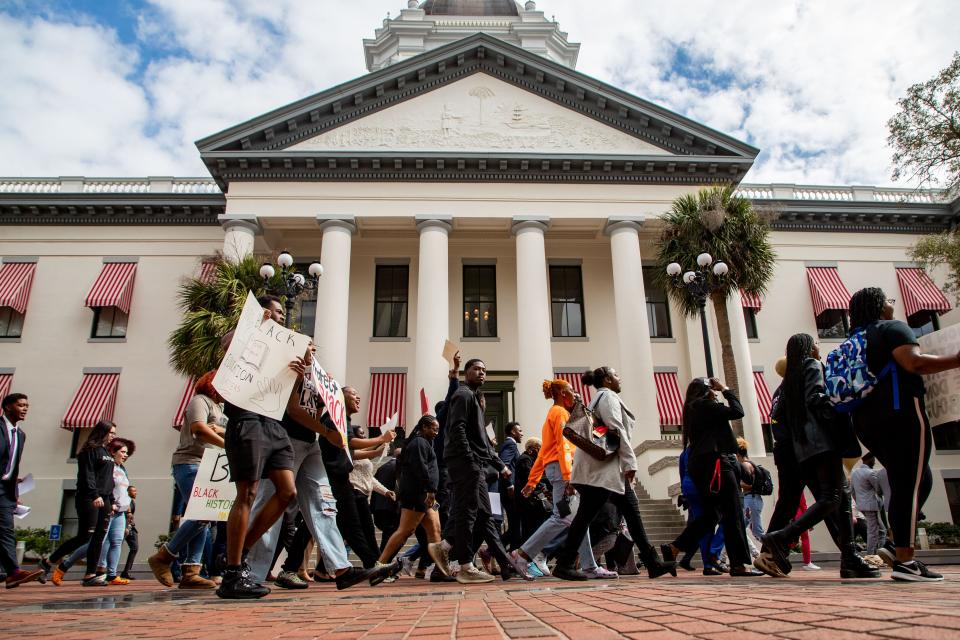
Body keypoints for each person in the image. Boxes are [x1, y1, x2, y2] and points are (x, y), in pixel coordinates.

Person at [246, 352, 395, 591]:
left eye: (314, 349)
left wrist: (324, 397)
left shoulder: (313, 380)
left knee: (324, 504)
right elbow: (294, 411)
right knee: (272, 503)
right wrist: (326, 432)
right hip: (287, 440)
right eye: (308, 348)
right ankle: (249, 571)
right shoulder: (289, 371)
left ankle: (340, 567)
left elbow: (313, 414)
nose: (312, 352)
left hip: (310, 444)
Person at [846, 287, 958, 582]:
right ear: (878, 306)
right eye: (887, 300)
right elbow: (915, 363)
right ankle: (906, 561)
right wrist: (956, 359)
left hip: (865, 421)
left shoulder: (855, 339)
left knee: (918, 478)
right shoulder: (893, 328)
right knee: (907, 482)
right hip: (901, 412)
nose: (890, 304)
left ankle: (897, 545)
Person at [761, 333, 878, 579]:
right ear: (807, 348)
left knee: (839, 498)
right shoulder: (813, 366)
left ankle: (849, 556)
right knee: (833, 498)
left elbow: (779, 416)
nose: (818, 346)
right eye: (814, 342)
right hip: (822, 441)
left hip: (804, 446)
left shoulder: (786, 385)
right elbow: (816, 397)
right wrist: (841, 402)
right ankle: (781, 538)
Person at [550, 368, 674, 581]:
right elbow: (616, 429)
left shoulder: (599, 398)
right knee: (586, 516)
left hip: (605, 471)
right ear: (607, 379)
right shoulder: (607, 397)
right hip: (601, 470)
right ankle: (564, 563)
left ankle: (652, 562)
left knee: (631, 512)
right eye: (617, 375)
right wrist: (630, 462)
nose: (620, 378)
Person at [218, 295, 298, 599]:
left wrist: (298, 373)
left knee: (287, 492)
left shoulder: (281, 350)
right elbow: (227, 345)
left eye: (280, 312)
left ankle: (238, 555)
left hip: (274, 423)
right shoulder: (246, 336)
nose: (279, 316)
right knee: (248, 492)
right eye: (274, 311)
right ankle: (233, 573)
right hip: (246, 417)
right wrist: (254, 324)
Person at [429, 358, 525, 584]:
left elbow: (481, 442)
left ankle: (453, 554)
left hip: (474, 463)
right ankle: (460, 561)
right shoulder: (463, 394)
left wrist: (500, 465)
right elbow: (457, 429)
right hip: (466, 462)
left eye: (485, 370)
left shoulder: (472, 398)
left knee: (478, 512)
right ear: (466, 372)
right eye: (476, 369)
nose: (482, 373)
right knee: (468, 510)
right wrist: (470, 458)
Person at [661, 378, 762, 577]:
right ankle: (739, 565)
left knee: (711, 515)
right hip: (716, 463)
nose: (715, 392)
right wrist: (725, 389)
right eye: (712, 389)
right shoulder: (705, 405)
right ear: (706, 391)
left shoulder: (694, 408)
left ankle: (674, 548)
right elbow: (738, 411)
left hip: (703, 464)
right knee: (732, 513)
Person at [511, 380, 610, 580]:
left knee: (578, 518)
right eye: (572, 391)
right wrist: (568, 478)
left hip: (558, 469)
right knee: (563, 517)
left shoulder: (554, 413)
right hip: (563, 471)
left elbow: (544, 452)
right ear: (563, 393)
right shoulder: (560, 413)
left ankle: (590, 565)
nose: (575, 394)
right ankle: (521, 554)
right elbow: (563, 447)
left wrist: (532, 481)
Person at [148, 371, 223, 590]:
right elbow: (199, 429)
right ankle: (165, 556)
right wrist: (225, 442)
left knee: (205, 517)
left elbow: (219, 430)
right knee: (203, 514)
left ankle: (191, 571)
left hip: (211, 466)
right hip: (191, 462)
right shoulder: (200, 401)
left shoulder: (220, 408)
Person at [44, 420, 118, 586]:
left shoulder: (106, 451)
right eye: (111, 432)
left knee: (99, 537)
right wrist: (94, 494)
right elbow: (87, 474)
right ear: (102, 432)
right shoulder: (89, 450)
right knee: (85, 536)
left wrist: (111, 500)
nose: (113, 435)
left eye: (114, 432)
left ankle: (90, 575)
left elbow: (108, 479)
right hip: (89, 497)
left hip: (105, 498)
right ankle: (50, 560)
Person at [374, 415, 441, 577]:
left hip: (424, 496)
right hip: (418, 495)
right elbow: (421, 468)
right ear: (424, 427)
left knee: (435, 531)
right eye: (434, 428)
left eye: (438, 429)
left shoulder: (424, 443)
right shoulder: (419, 443)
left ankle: (441, 569)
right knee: (405, 531)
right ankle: (379, 566)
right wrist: (430, 489)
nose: (436, 432)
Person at [1, 393, 43, 588]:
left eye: (27, 405)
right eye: (21, 405)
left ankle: (13, 573)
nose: (25, 408)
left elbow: (12, 464)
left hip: (5, 490)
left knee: (6, 530)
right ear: (8, 407)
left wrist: (14, 489)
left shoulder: (20, 435)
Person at [677, 442, 725, 575]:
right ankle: (713, 554)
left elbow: (682, 474)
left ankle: (708, 563)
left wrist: (685, 492)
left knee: (703, 526)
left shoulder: (684, 453)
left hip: (690, 487)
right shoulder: (707, 447)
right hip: (704, 487)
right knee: (724, 520)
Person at [99, 438, 134, 585]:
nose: (125, 455)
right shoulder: (109, 467)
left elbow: (124, 491)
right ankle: (99, 568)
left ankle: (112, 574)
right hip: (110, 509)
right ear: (113, 452)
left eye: (127, 453)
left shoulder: (122, 469)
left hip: (122, 511)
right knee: (101, 540)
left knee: (117, 541)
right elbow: (106, 487)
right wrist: (111, 503)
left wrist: (129, 509)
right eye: (123, 452)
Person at [851, 453, 886, 557]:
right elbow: (879, 490)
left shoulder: (855, 473)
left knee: (880, 530)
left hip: (862, 506)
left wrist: (860, 502)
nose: (875, 462)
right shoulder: (871, 473)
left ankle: (878, 553)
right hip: (871, 505)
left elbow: (852, 491)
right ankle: (873, 555)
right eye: (874, 459)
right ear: (869, 460)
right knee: (873, 531)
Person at [499, 422, 524, 551]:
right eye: (520, 431)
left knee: (515, 526)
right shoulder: (510, 444)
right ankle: (513, 555)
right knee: (516, 526)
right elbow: (504, 464)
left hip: (511, 490)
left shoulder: (511, 445)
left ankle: (493, 551)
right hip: (510, 491)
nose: (522, 433)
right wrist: (510, 486)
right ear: (513, 432)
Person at [737, 437, 765, 544]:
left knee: (756, 530)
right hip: (752, 500)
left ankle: (772, 549)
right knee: (743, 528)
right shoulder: (750, 463)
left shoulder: (745, 465)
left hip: (750, 499)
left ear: (738, 454)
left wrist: (737, 483)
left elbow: (750, 484)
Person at [119, 485, 138, 580]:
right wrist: (126, 527)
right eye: (133, 491)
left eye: (135, 491)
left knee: (134, 547)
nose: (136, 493)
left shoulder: (132, 502)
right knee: (116, 546)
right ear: (128, 492)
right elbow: (124, 515)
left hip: (130, 528)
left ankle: (126, 572)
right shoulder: (126, 501)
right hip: (125, 528)